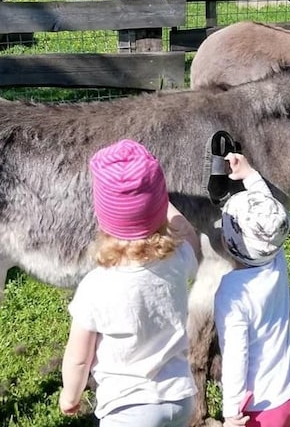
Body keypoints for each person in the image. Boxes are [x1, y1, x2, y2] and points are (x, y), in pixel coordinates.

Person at [59, 139, 201, 427]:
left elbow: (78, 358)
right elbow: (189, 237)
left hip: (128, 410)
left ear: (102, 216)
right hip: (180, 400)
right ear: (159, 208)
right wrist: (161, 201)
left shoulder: (95, 287)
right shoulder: (177, 261)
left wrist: (70, 396)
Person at [214, 152, 290, 427]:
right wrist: (251, 176)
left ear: (229, 241)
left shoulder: (231, 294)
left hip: (261, 409)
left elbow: (235, 357)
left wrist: (231, 412)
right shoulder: (275, 260)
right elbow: (270, 221)